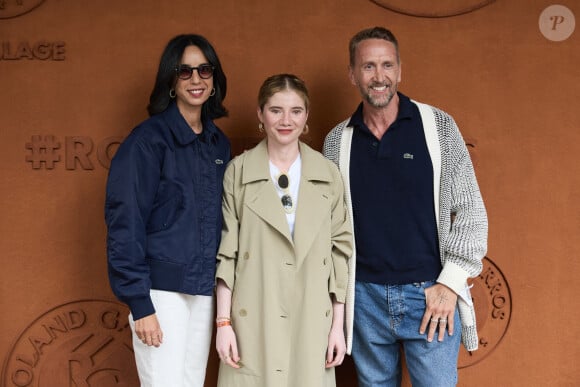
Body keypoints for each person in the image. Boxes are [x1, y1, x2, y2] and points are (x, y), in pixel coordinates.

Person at [323, 27, 488, 387]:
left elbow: (471, 211)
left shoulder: (438, 127)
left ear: (400, 70)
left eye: (387, 65)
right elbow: (329, 227)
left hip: (430, 297)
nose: (379, 76)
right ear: (352, 74)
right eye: (368, 66)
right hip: (364, 299)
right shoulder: (337, 141)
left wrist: (450, 284)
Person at [105, 34, 230, 387]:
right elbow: (125, 222)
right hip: (160, 291)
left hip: (202, 290)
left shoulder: (217, 142)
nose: (196, 79)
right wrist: (140, 304)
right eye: (184, 71)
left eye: (204, 70)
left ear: (214, 79)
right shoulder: (147, 141)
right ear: (171, 80)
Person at [214, 74, 353, 387]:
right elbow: (227, 255)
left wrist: (337, 328)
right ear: (260, 115)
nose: (286, 120)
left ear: (307, 117)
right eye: (276, 110)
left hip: (311, 316)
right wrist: (224, 323)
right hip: (254, 317)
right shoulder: (238, 171)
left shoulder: (327, 174)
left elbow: (340, 256)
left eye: (296, 111)